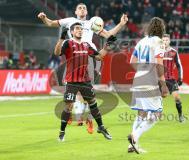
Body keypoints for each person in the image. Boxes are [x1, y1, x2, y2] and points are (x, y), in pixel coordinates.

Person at [38, 3, 128, 133]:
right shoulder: (69, 21)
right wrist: (43, 18)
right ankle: (78, 114)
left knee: (86, 90)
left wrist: (121, 24)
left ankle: (84, 118)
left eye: (84, 8)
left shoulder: (92, 23)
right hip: (74, 57)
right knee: (74, 88)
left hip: (91, 57)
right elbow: (51, 23)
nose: (82, 9)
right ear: (75, 11)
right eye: (80, 8)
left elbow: (108, 34)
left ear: (86, 12)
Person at [54, 22, 116, 141]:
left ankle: (101, 127)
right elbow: (57, 53)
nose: (80, 30)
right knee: (69, 106)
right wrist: (61, 38)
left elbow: (99, 57)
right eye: (77, 28)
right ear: (72, 32)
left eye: (81, 29)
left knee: (93, 103)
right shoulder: (68, 43)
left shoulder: (86, 45)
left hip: (85, 80)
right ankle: (62, 132)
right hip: (71, 80)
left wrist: (108, 45)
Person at [127, 17, 168, 154]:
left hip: (138, 79)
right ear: (161, 29)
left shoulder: (142, 41)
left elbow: (132, 61)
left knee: (141, 112)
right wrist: (163, 84)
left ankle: (132, 145)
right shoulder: (159, 42)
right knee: (157, 114)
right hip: (150, 81)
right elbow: (159, 63)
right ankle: (135, 137)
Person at [162, 34, 184, 123]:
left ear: (169, 41)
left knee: (177, 97)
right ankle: (151, 115)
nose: (165, 42)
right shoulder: (158, 51)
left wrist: (180, 77)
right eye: (163, 40)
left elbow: (179, 65)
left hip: (171, 79)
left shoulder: (174, 52)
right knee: (157, 98)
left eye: (166, 40)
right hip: (160, 79)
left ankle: (180, 116)